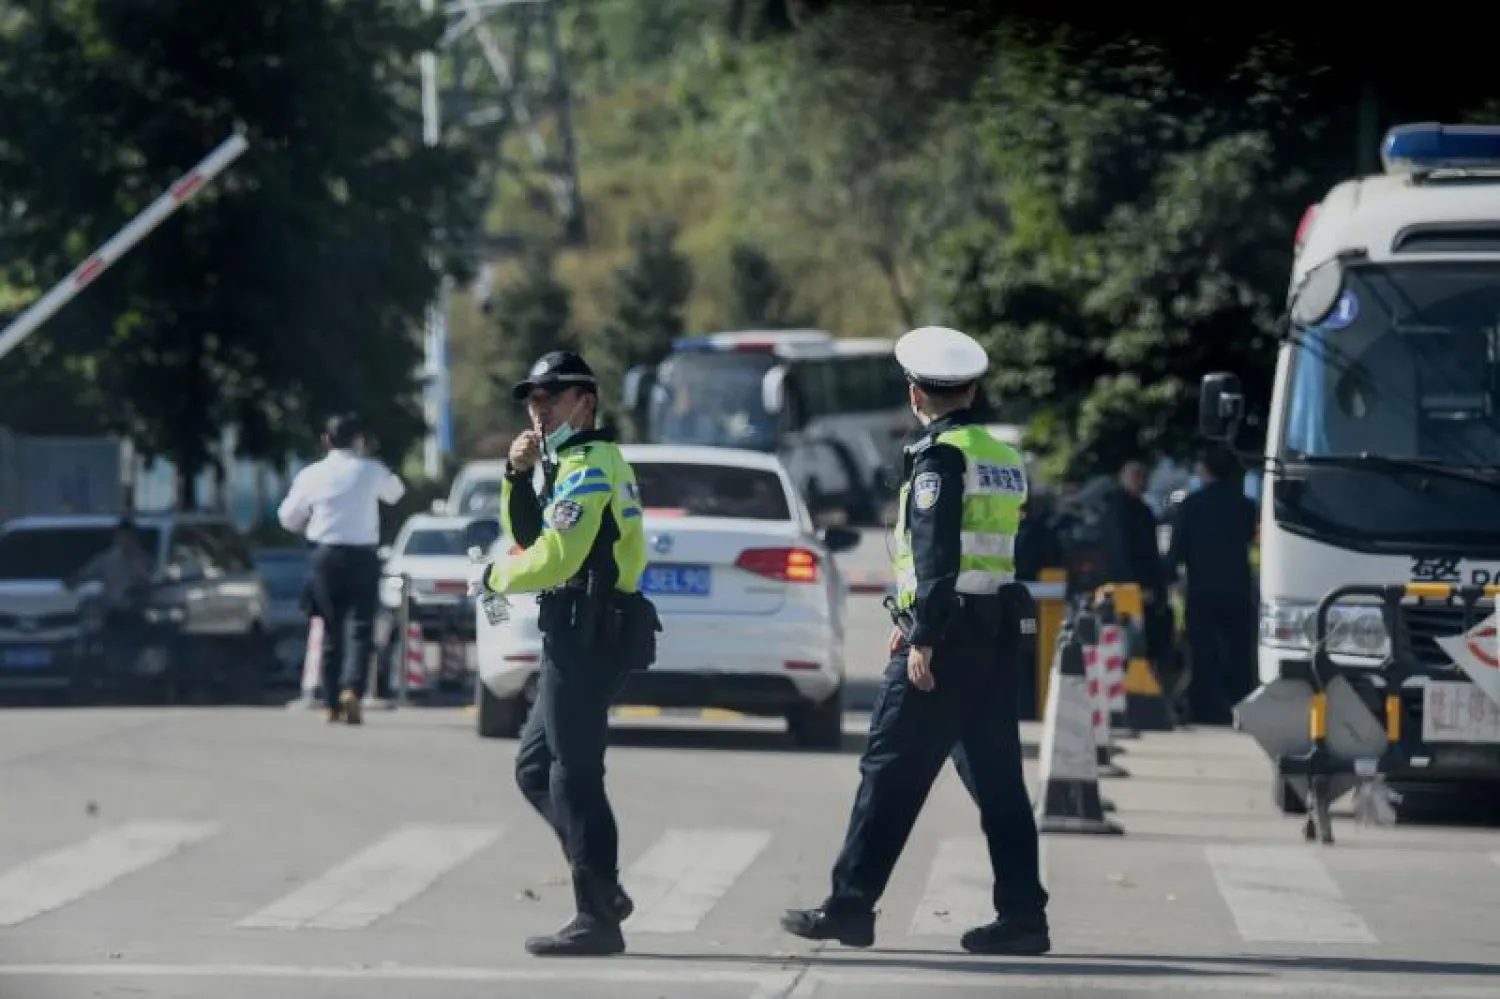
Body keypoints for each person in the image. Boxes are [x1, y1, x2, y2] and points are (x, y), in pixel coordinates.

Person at [780, 326, 1050, 957]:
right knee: (999, 783)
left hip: (946, 638)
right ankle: (1023, 916)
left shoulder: (938, 457)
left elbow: (935, 552)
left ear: (914, 393)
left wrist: (921, 635)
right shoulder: (1003, 457)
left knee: (889, 773)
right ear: (975, 389)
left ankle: (850, 907)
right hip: (994, 636)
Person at [475, 349, 652, 958]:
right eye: (533, 398)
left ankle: (597, 915)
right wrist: (515, 476)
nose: (540, 408)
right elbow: (533, 536)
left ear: (587, 401)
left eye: (553, 396)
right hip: (577, 629)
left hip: (589, 631)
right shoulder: (570, 461)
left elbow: (557, 557)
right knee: (535, 769)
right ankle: (603, 885)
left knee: (573, 776)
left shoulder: (589, 467)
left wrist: (495, 577)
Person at [277, 413, 405, 725]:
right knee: (361, 628)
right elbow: (396, 493)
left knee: (330, 630)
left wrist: (312, 522)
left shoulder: (312, 474)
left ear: (326, 441)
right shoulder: (370, 469)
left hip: (326, 557)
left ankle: (332, 701)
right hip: (363, 556)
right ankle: (353, 690)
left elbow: (288, 517)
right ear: (358, 440)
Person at [1166, 444, 1259, 724]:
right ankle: (1240, 702)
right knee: (1238, 649)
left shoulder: (1191, 505)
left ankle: (1206, 708)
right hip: (1237, 587)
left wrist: (1170, 579)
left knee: (1203, 649)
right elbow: (1247, 538)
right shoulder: (1244, 504)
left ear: (1205, 470)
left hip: (1202, 588)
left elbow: (1177, 550)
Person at [1100, 458, 1174, 667]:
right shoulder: (1121, 510)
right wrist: (1135, 585)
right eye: (1137, 476)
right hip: (1130, 587)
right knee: (1133, 642)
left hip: (1141, 585)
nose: (1142, 482)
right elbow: (1121, 550)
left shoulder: (1140, 509)